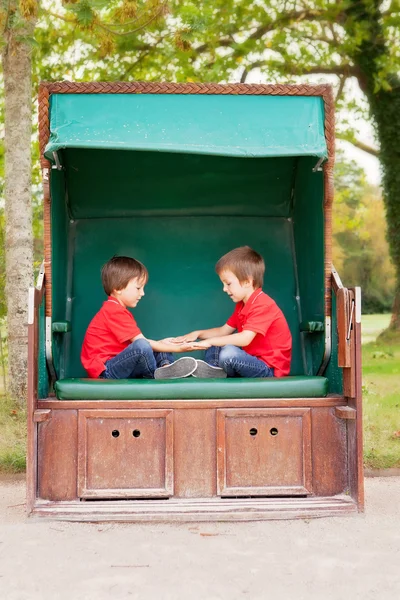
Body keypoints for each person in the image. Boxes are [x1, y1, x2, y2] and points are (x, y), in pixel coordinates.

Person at [174, 246, 292, 378]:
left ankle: (215, 371)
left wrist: (211, 341)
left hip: (268, 370)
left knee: (228, 352)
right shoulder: (242, 305)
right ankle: (213, 372)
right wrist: (197, 334)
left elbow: (245, 339)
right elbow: (223, 331)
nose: (224, 289)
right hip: (250, 361)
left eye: (228, 284)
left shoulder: (263, 304)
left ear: (247, 281)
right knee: (215, 346)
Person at [81, 256, 196, 380]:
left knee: (159, 344)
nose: (142, 293)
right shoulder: (113, 311)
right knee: (143, 346)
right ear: (118, 288)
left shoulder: (116, 308)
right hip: (107, 371)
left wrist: (163, 343)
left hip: (121, 366)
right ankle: (155, 375)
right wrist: (179, 348)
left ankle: (166, 368)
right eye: (138, 288)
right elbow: (141, 343)